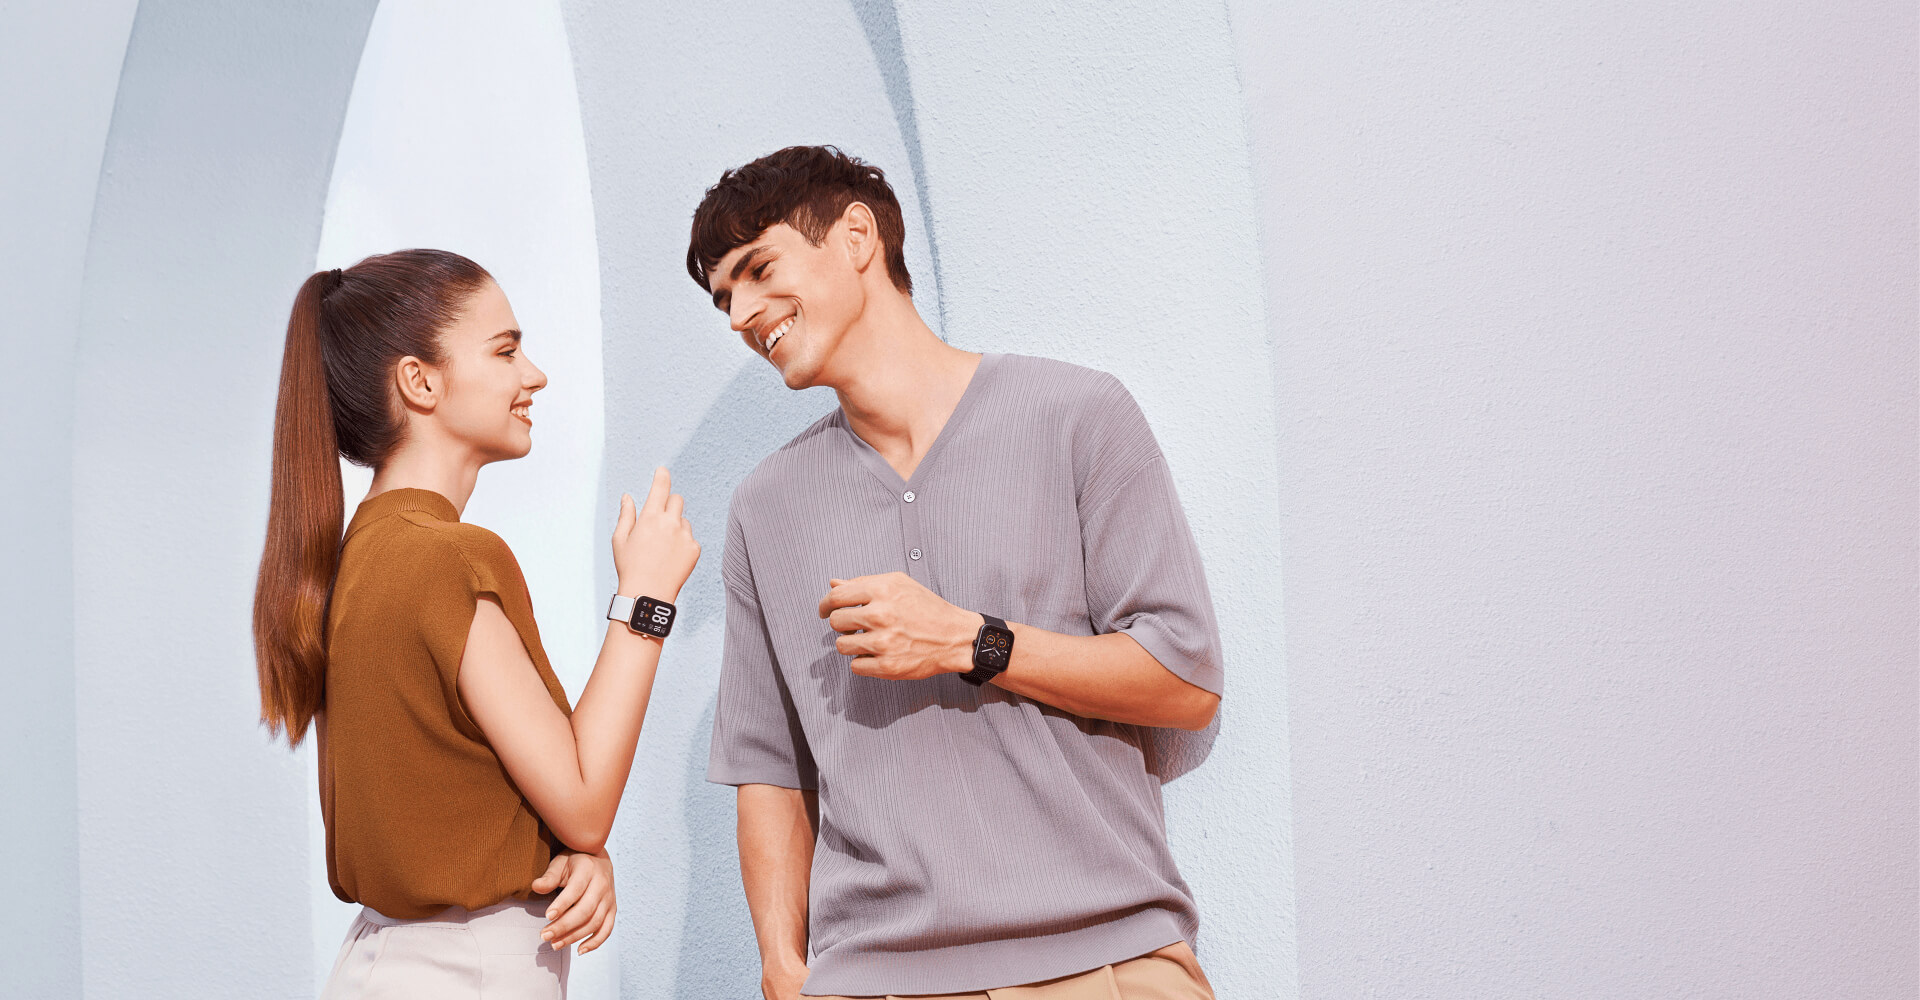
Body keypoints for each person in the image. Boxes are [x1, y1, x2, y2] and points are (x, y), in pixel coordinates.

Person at [690, 146, 1224, 1000]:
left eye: (758, 270)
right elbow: (771, 767)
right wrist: (783, 969)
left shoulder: (1077, 416)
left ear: (856, 236)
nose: (741, 316)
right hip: (877, 979)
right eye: (724, 299)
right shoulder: (766, 506)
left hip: (1107, 960)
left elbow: (1186, 683)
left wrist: (974, 642)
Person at [251, 249, 701, 998]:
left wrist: (569, 853)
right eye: (505, 350)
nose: (535, 375)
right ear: (420, 381)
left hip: (384, 963)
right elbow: (584, 802)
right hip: (468, 970)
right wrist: (645, 600)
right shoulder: (448, 558)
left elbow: (457, 797)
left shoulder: (356, 558)